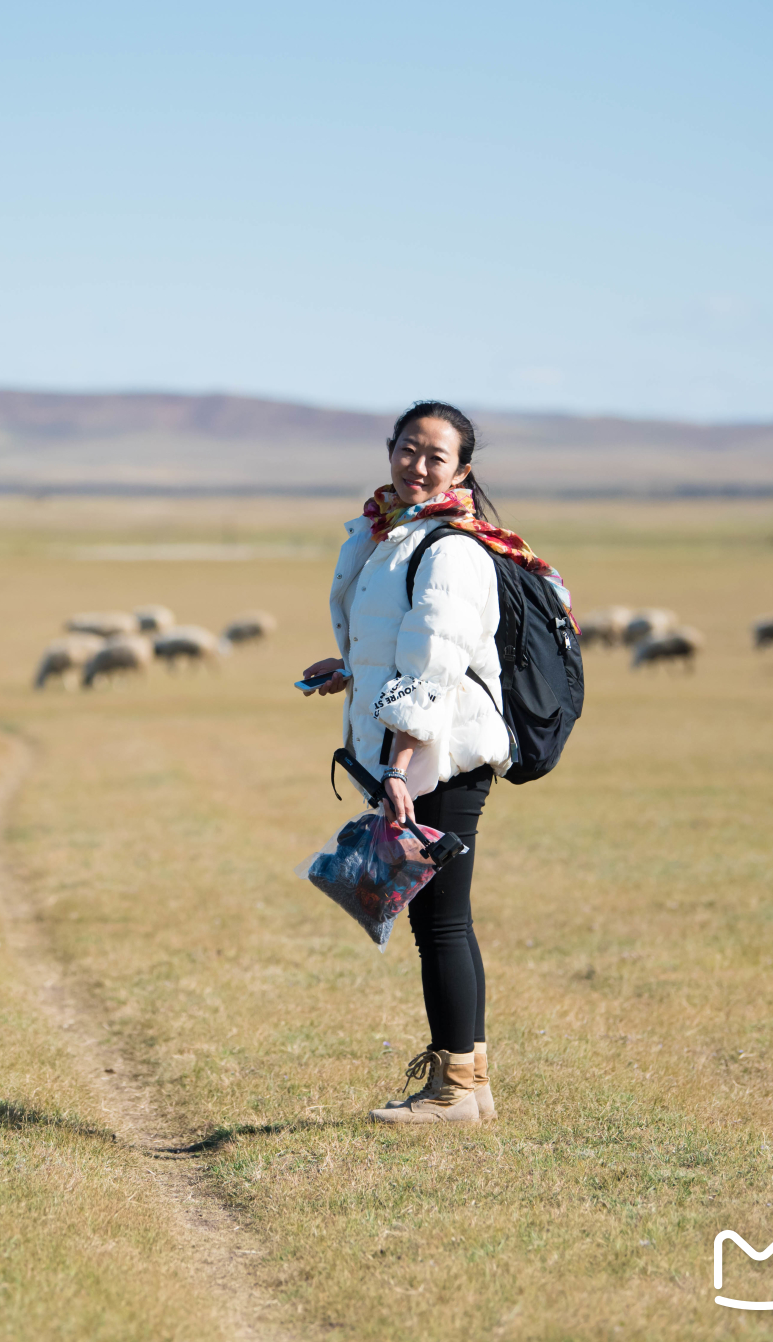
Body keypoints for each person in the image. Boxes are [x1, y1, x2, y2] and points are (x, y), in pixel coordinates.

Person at [298, 401, 568, 1125]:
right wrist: (352, 669)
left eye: (435, 457)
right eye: (408, 449)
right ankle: (468, 1080)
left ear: (462, 471)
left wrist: (400, 765)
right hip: (421, 748)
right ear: (390, 449)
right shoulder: (394, 533)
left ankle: (453, 1089)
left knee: (441, 924)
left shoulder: (451, 549)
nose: (418, 465)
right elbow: (401, 644)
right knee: (445, 919)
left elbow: (437, 665)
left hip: (441, 755)